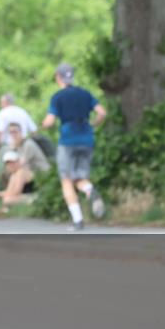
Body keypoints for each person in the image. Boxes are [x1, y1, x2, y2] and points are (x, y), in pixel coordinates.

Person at [41, 63, 108, 231]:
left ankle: (78, 221)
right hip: (87, 139)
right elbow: (102, 112)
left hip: (68, 140)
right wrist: (92, 125)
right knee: (80, 177)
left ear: (58, 77)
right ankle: (90, 190)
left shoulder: (58, 97)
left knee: (66, 180)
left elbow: (49, 121)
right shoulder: (85, 94)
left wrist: (43, 125)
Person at [0, 122, 50, 212]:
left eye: (15, 132)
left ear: (21, 132)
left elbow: (20, 164)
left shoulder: (28, 144)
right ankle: (7, 204)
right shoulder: (17, 147)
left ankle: (31, 199)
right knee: (13, 174)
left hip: (41, 175)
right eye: (11, 133)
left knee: (19, 172)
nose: (13, 135)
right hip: (29, 175)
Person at [0, 93, 37, 159]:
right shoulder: (23, 111)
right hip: (23, 146)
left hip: (8, 147)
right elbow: (34, 131)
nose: (0, 105)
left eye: (1, 103)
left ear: (5, 102)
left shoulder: (2, 113)